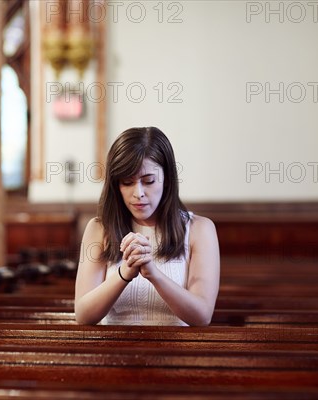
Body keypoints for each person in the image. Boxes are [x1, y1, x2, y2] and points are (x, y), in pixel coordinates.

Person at [74, 127, 220, 326]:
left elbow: (202, 316)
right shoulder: (99, 229)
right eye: (127, 182)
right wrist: (124, 273)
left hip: (179, 352)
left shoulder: (199, 229)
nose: (138, 193)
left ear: (167, 178)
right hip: (112, 351)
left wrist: (153, 274)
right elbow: (83, 315)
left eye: (148, 181)